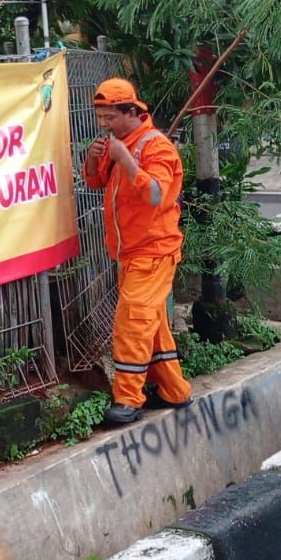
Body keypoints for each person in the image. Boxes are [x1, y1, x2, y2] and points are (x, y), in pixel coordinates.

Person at [82, 77, 192, 427]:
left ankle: (128, 398)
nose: (103, 125)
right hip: (129, 253)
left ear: (131, 112)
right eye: (100, 117)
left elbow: (157, 196)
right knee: (152, 325)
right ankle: (175, 391)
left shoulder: (156, 148)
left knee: (132, 322)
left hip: (153, 252)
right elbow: (95, 182)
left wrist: (125, 159)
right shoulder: (119, 143)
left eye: (109, 117)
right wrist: (93, 158)